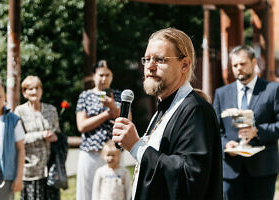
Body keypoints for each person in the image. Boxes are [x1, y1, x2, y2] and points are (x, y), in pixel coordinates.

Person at [112, 27, 223, 200]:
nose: (150, 66)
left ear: (184, 65)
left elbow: (190, 178)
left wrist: (136, 147)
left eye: (159, 59)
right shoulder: (164, 108)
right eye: (147, 59)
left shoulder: (196, 110)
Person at [213, 45, 279, 200]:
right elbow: (215, 130)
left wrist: (258, 131)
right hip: (231, 171)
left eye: (242, 64)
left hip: (263, 169)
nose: (238, 69)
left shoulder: (272, 90)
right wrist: (226, 145)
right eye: (235, 65)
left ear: (253, 62)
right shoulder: (221, 94)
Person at [76, 60, 122, 200]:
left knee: (112, 193)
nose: (104, 79)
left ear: (112, 76)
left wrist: (113, 106)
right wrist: (107, 114)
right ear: (94, 76)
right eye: (101, 75)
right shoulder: (85, 96)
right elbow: (82, 126)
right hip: (90, 152)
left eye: (107, 75)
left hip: (113, 153)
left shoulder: (119, 96)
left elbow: (127, 121)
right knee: (87, 193)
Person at [14, 75, 60, 200]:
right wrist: (40, 135)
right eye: (30, 89)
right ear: (24, 92)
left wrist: (55, 137)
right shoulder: (19, 112)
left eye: (37, 88)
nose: (34, 91)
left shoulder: (51, 110)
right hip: (31, 170)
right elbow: (18, 139)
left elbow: (58, 134)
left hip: (51, 169)